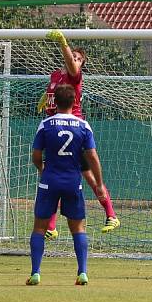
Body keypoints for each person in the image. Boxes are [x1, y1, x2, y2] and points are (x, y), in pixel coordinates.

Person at [37, 30, 119, 240]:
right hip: (55, 132)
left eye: (79, 58)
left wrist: (64, 45)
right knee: (55, 176)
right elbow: (52, 91)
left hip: (73, 133)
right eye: (73, 55)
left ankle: (111, 214)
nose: (74, 59)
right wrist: (44, 99)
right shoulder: (56, 75)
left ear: (81, 65)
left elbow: (71, 66)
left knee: (87, 178)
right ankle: (53, 226)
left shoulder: (75, 77)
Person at [27, 84, 104, 286]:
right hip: (72, 182)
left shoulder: (45, 124)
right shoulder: (83, 126)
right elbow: (93, 157)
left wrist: (43, 170)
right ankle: (83, 273)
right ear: (75, 102)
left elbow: (35, 155)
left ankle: (36, 273)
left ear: (55, 102)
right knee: (78, 228)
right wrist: (100, 184)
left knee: (40, 228)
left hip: (49, 181)